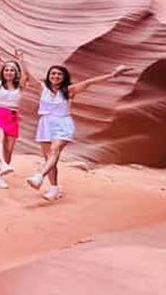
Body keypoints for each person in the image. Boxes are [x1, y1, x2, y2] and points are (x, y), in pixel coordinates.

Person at [26, 63, 130, 201]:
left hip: (62, 124)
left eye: (59, 74)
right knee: (49, 159)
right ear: (48, 76)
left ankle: (39, 177)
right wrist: (20, 61)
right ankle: (54, 189)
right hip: (45, 124)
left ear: (64, 77)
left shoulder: (69, 90)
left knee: (54, 151)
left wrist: (112, 75)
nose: (55, 76)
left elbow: (89, 82)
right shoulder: (42, 88)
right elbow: (28, 76)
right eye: (53, 73)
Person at [0, 49, 30, 188]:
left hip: (12, 117)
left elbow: (26, 76)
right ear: (3, 72)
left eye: (12, 70)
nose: (9, 72)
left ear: (16, 73)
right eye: (6, 70)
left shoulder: (20, 87)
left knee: (9, 150)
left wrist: (20, 61)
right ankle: (3, 165)